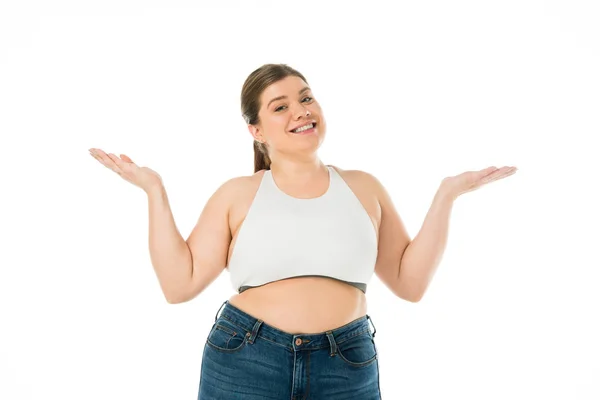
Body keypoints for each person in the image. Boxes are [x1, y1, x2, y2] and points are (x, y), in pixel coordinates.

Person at [89, 63, 517, 399]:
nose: (301, 110)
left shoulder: (363, 187)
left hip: (346, 364)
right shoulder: (238, 194)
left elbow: (410, 283)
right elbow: (177, 285)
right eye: (280, 106)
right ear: (256, 131)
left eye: (306, 98)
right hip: (247, 360)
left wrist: (446, 196)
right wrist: (153, 190)